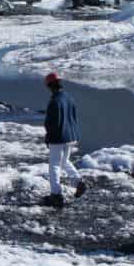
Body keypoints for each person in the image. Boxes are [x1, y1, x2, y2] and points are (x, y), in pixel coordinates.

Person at [43, 71, 86, 208]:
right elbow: (73, 117)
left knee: (54, 165)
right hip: (71, 136)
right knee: (64, 161)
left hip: (58, 138)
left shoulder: (54, 101)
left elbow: (50, 123)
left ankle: (56, 195)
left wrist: (48, 138)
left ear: (50, 86)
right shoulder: (69, 98)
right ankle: (79, 182)